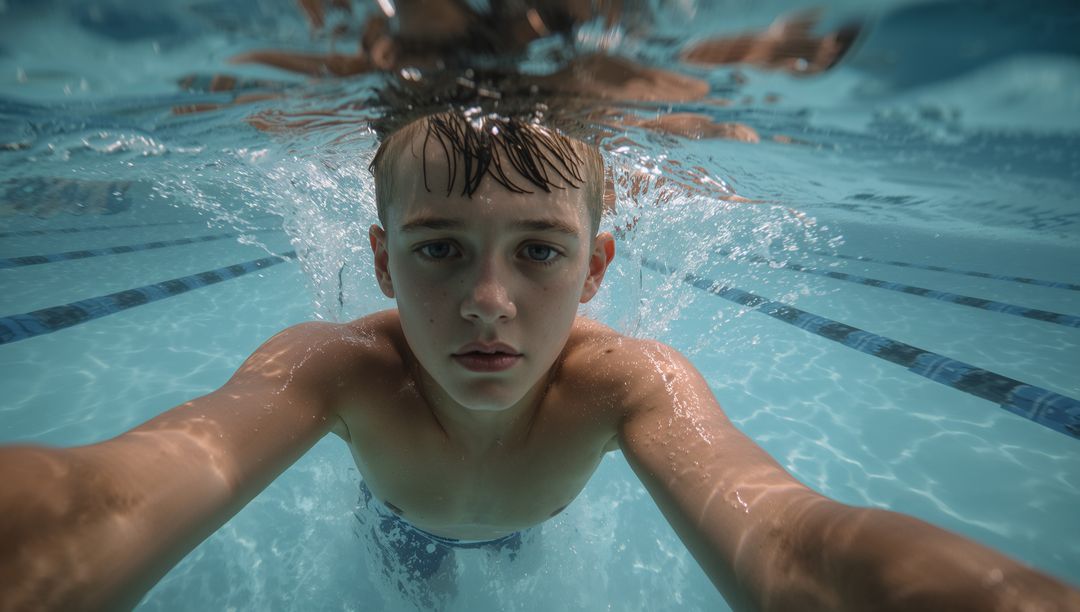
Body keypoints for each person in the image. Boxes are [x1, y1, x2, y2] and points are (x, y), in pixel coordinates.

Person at [1, 108, 1078, 611]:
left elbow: (792, 545)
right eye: (437, 249)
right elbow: (103, 508)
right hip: (401, 518)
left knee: (512, 571)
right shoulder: (331, 369)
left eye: (540, 252)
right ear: (379, 260)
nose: (487, 302)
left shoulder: (629, 383)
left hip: (531, 520)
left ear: (597, 264)